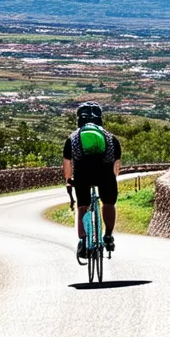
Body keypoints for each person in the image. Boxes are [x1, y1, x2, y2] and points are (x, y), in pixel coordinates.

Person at [62, 102, 122, 258]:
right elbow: (116, 167)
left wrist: (69, 182)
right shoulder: (111, 138)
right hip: (105, 174)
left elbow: (67, 167)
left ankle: (83, 241)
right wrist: (110, 181)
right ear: (100, 119)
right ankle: (108, 236)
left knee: (82, 206)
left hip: (83, 174)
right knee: (109, 203)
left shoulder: (73, 138)